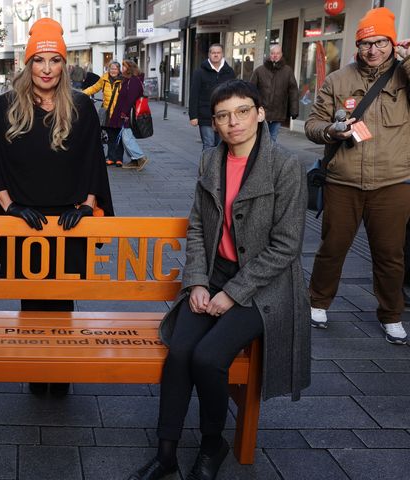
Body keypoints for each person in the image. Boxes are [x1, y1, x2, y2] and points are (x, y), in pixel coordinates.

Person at [127, 79, 310, 480]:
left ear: (260, 113)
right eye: (223, 116)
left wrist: (233, 293)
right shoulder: (211, 160)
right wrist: (196, 281)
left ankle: (213, 442)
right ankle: (166, 452)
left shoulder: (285, 166)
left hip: (264, 289)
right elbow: (197, 226)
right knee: (179, 352)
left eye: (242, 111)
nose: (233, 123)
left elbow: (286, 246)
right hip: (213, 275)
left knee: (208, 358)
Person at [0, 18, 114, 396]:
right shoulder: (4, 107)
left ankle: (61, 370)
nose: (47, 68)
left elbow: (92, 162)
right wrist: (11, 209)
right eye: (40, 60)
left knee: (62, 302)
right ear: (28, 63)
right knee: (32, 304)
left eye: (55, 60)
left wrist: (87, 207)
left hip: (68, 221)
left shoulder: (82, 106)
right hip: (24, 222)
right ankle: (38, 369)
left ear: (64, 63)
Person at [306, 7, 410, 345]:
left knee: (390, 254)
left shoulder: (403, 75)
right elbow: (312, 124)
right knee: (333, 247)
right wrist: (331, 132)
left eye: (381, 42)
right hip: (343, 180)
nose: (373, 50)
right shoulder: (339, 79)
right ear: (358, 45)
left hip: (392, 183)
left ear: (392, 43)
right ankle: (318, 302)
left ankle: (391, 315)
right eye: (366, 43)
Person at [188, 44, 236, 151]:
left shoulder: (229, 72)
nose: (216, 55)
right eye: (213, 53)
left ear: (222, 54)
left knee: (222, 145)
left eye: (218, 53)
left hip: (224, 115)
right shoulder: (199, 72)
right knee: (209, 144)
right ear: (209, 54)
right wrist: (193, 116)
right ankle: (208, 167)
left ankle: (218, 167)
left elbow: (234, 94)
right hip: (205, 115)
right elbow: (194, 94)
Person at [250, 44, 299, 142]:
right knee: (260, 138)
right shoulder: (259, 71)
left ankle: (269, 157)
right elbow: (251, 90)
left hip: (278, 112)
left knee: (273, 138)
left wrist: (294, 110)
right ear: (269, 54)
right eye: (273, 53)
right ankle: (259, 156)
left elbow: (293, 90)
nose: (275, 55)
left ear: (281, 54)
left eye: (278, 53)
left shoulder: (287, 71)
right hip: (262, 112)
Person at [105, 59, 149, 170]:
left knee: (126, 137)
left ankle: (140, 157)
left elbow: (130, 99)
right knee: (126, 136)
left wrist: (124, 113)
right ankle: (134, 160)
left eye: (124, 67)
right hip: (123, 112)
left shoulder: (133, 81)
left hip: (126, 114)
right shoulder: (129, 80)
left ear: (130, 68)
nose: (122, 69)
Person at [83, 61, 123, 166]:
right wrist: (82, 93)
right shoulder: (104, 79)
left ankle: (119, 158)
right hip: (108, 112)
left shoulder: (123, 80)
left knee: (119, 136)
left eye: (115, 69)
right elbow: (94, 88)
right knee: (110, 136)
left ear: (119, 70)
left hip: (119, 113)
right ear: (108, 69)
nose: (113, 71)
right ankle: (111, 157)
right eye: (111, 68)